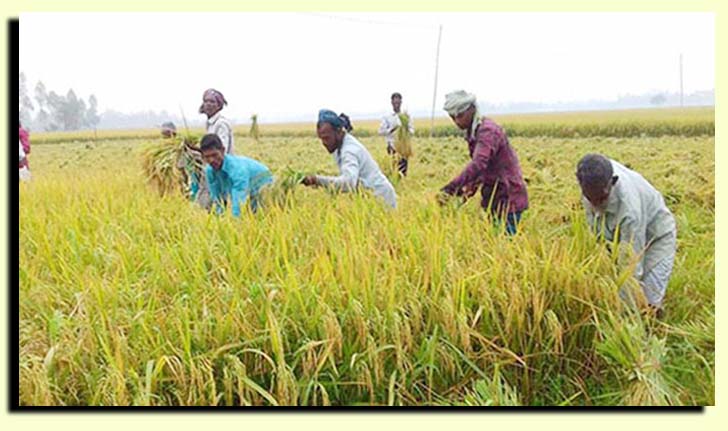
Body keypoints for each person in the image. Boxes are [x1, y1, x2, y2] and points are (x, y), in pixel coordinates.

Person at [576, 154, 677, 313]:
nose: (595, 204)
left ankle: (646, 330)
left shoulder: (629, 210)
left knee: (648, 300)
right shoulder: (590, 178)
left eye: (601, 198)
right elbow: (596, 234)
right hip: (616, 237)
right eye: (591, 199)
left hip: (656, 237)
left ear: (613, 182)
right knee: (612, 283)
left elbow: (630, 264)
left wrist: (623, 312)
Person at [438, 90, 528, 235]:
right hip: (494, 197)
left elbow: (479, 163)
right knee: (494, 240)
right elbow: (482, 171)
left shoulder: (487, 131)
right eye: (452, 117)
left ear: (472, 109)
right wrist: (463, 193)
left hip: (508, 196)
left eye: (460, 116)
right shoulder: (474, 131)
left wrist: (451, 188)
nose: (457, 122)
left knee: (505, 246)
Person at [302, 109, 397, 209]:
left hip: (381, 199)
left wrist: (317, 180)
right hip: (367, 198)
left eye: (326, 138)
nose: (324, 143)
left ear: (338, 131)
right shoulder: (339, 144)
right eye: (321, 138)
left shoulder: (349, 151)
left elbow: (348, 183)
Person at [200, 133, 273, 216]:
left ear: (223, 151)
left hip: (263, 183)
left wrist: (234, 223)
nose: (211, 160)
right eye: (207, 157)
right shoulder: (209, 170)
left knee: (259, 214)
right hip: (244, 188)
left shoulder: (238, 170)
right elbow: (217, 198)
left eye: (214, 155)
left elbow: (239, 201)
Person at [378, 92, 414, 176]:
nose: (396, 104)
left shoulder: (406, 116)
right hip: (392, 146)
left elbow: (412, 130)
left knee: (403, 170)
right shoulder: (387, 116)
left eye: (398, 102)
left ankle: (403, 184)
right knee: (393, 168)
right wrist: (391, 130)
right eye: (395, 102)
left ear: (401, 102)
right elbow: (380, 131)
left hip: (404, 147)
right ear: (391, 103)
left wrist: (406, 130)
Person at [199, 88, 234, 154]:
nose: (208, 104)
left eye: (212, 102)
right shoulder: (210, 123)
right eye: (206, 101)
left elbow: (222, 151)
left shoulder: (221, 123)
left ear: (219, 105)